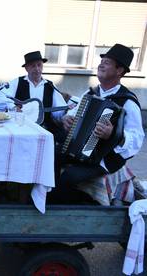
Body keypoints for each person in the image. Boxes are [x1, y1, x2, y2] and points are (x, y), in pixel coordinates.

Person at [49, 44, 145, 204]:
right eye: (102, 61)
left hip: (105, 158)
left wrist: (113, 134)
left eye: (107, 62)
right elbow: (74, 113)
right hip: (81, 151)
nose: (101, 64)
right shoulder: (91, 93)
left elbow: (137, 139)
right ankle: (49, 199)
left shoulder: (127, 101)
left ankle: (72, 208)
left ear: (119, 70)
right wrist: (67, 120)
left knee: (69, 177)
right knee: (49, 156)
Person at [2, 51, 67, 140]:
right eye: (33, 66)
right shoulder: (17, 82)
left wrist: (66, 115)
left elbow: (59, 111)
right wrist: (13, 107)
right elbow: (1, 96)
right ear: (26, 68)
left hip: (44, 128)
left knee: (63, 138)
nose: (37, 69)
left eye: (39, 65)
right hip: (21, 127)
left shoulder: (50, 86)